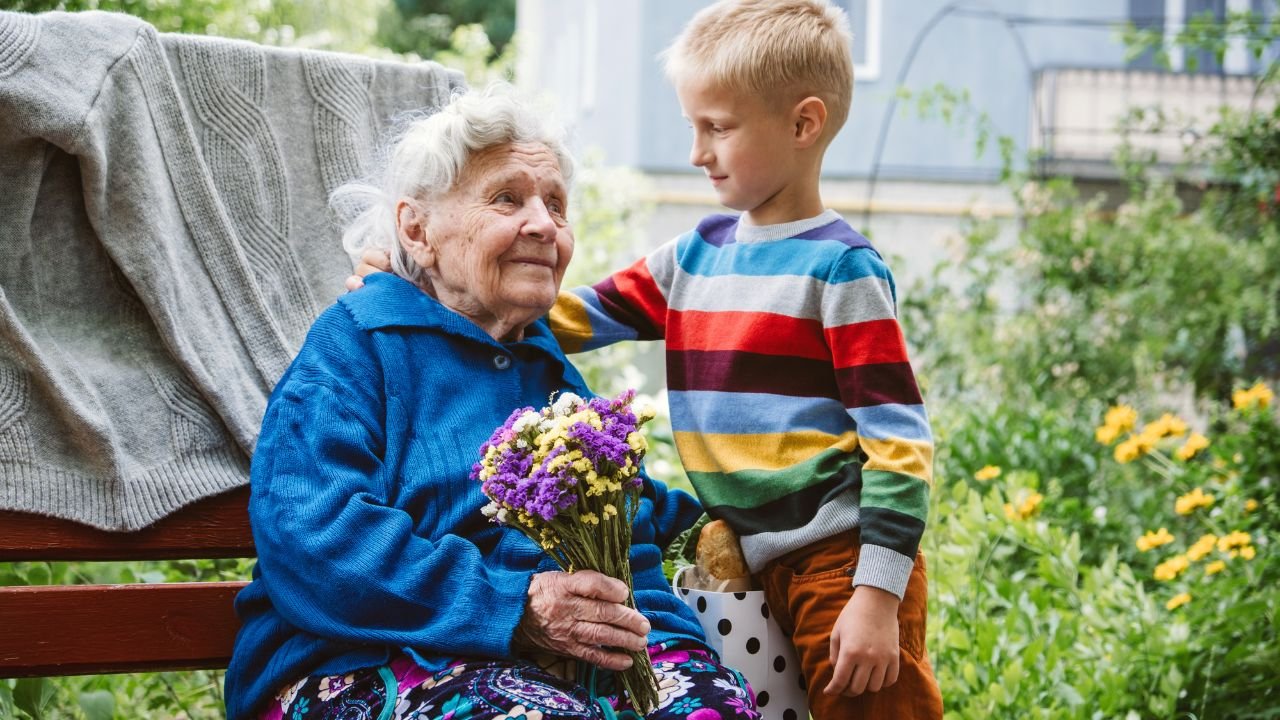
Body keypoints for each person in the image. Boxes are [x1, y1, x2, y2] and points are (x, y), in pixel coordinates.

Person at [351, 2, 943, 717]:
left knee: (872, 701)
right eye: (694, 127)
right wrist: (428, 294)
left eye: (717, 128)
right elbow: (561, 313)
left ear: (802, 124)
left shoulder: (842, 271)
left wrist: (877, 594)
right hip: (750, 555)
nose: (697, 152)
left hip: (838, 554)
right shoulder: (693, 257)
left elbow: (900, 441)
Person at [225, 87, 760, 720]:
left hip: (581, 663)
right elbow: (313, 538)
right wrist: (513, 607)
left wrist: (681, 628)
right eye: (507, 198)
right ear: (417, 229)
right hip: (366, 659)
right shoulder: (359, 346)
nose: (542, 223)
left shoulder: (547, 366)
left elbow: (629, 524)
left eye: (555, 205)